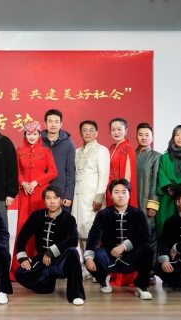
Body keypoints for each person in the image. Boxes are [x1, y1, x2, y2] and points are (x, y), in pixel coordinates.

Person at [84, 179, 154, 301]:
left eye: (124, 192)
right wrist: (88, 257)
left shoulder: (138, 214)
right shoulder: (103, 214)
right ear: (111, 195)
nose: (120, 195)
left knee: (147, 250)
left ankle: (141, 286)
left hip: (132, 256)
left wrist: (124, 246)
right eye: (116, 192)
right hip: (109, 255)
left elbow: (146, 237)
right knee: (92, 256)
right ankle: (103, 279)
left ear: (129, 194)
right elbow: (94, 235)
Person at [15, 186, 85, 305]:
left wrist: (52, 251)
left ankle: (76, 295)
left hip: (61, 260)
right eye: (48, 198)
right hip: (42, 259)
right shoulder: (37, 215)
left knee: (73, 252)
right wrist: (22, 256)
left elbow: (73, 240)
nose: (52, 202)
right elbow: (23, 235)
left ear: (61, 200)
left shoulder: (68, 218)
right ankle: (47, 283)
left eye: (55, 198)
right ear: (44, 200)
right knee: (20, 273)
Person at [10, 121, 56, 278]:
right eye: (28, 134)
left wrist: (36, 183)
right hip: (25, 193)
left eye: (34, 134)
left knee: (40, 227)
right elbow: (15, 172)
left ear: (39, 135)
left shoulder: (46, 151)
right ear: (25, 135)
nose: (31, 136)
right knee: (23, 225)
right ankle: (19, 266)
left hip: (40, 192)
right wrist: (23, 183)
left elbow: (53, 172)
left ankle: (40, 266)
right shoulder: (19, 151)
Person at [73, 120, 109, 260]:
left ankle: (95, 264)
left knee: (93, 232)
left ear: (96, 133)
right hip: (78, 198)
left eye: (91, 130)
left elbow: (104, 175)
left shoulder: (101, 150)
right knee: (80, 232)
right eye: (84, 130)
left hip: (93, 198)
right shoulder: (76, 152)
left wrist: (99, 197)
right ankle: (85, 264)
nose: (88, 133)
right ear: (80, 133)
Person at [41, 109, 76, 212]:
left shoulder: (68, 144)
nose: (53, 125)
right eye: (50, 121)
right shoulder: (38, 141)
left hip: (60, 193)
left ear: (61, 124)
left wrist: (68, 195)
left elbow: (70, 172)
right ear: (45, 123)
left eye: (56, 122)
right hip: (40, 190)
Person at [134, 123, 162, 249]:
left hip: (147, 203)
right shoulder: (131, 154)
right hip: (132, 200)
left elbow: (156, 181)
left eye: (147, 135)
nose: (144, 137)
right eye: (141, 135)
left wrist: (152, 205)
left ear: (152, 138)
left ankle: (150, 261)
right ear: (136, 136)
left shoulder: (156, 156)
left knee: (149, 235)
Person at [107, 118, 137, 208]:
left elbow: (128, 176)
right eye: (113, 130)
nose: (116, 132)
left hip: (119, 190)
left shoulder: (128, 148)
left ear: (126, 130)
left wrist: (122, 193)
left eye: (119, 129)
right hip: (110, 189)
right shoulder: (111, 148)